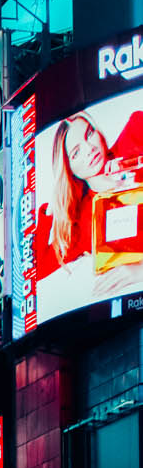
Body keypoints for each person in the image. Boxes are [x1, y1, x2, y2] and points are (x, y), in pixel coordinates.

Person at [35, 106, 143, 317]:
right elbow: (37, 269)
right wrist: (49, 212)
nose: (89, 149)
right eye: (76, 152)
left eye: (89, 134)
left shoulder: (135, 131)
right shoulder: (83, 223)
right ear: (69, 168)